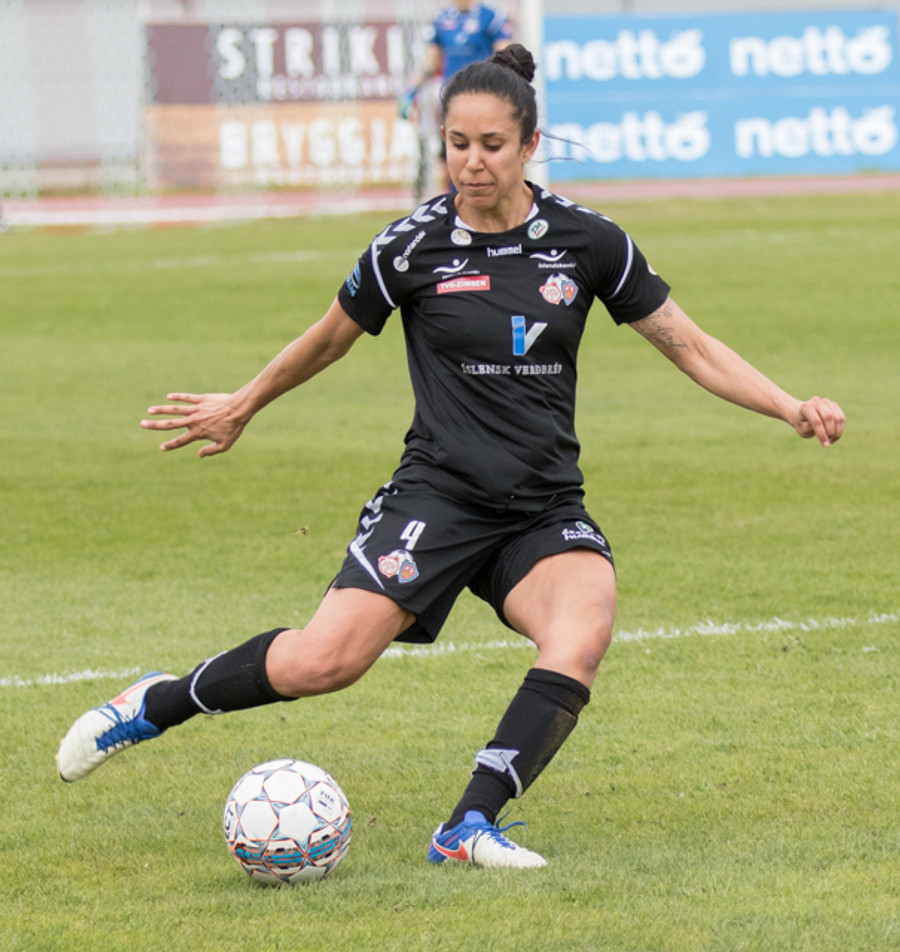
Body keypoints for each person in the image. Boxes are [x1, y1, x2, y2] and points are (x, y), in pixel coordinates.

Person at [56, 45, 845, 869]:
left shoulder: (588, 242)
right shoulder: (410, 248)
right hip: (437, 496)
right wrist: (243, 404)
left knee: (582, 629)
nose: (472, 162)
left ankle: (467, 827)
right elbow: (326, 340)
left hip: (541, 505)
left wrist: (789, 405)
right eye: (457, 143)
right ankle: (156, 702)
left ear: (528, 144)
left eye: (492, 145)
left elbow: (689, 345)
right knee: (323, 663)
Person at [401, 1, 513, 197]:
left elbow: (505, 56)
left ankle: (494, 197)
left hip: (483, 99)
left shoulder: (492, 17)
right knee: (451, 153)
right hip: (452, 101)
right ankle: (455, 201)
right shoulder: (442, 18)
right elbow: (431, 60)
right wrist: (411, 89)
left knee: (484, 151)